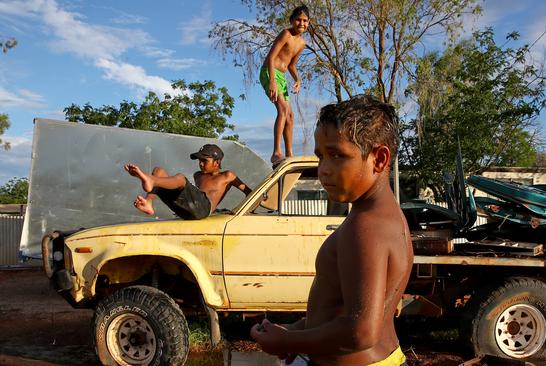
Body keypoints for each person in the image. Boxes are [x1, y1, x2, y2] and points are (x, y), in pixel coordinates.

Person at [251, 95, 414, 366]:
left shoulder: (366, 226)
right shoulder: (386, 215)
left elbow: (361, 332)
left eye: (337, 155)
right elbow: (342, 311)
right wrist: (297, 330)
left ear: (379, 159)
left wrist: (287, 342)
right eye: (320, 156)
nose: (323, 170)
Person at [124, 144, 252, 220]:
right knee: (159, 170)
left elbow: (249, 193)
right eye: (199, 160)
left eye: (204, 161)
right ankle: (149, 203)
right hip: (187, 210)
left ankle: (151, 181)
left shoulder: (228, 176)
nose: (200, 164)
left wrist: (247, 210)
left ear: (217, 162)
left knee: (180, 178)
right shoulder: (198, 175)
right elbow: (190, 195)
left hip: (203, 210)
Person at [260, 5, 310, 165]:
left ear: (308, 23)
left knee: (290, 115)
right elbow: (271, 57)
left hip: (281, 75)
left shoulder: (302, 43)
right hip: (270, 72)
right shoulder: (286, 34)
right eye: (298, 20)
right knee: (282, 109)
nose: (301, 23)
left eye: (305, 21)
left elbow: (291, 65)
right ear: (292, 20)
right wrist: (272, 81)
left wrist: (297, 80)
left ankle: (289, 153)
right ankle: (276, 152)